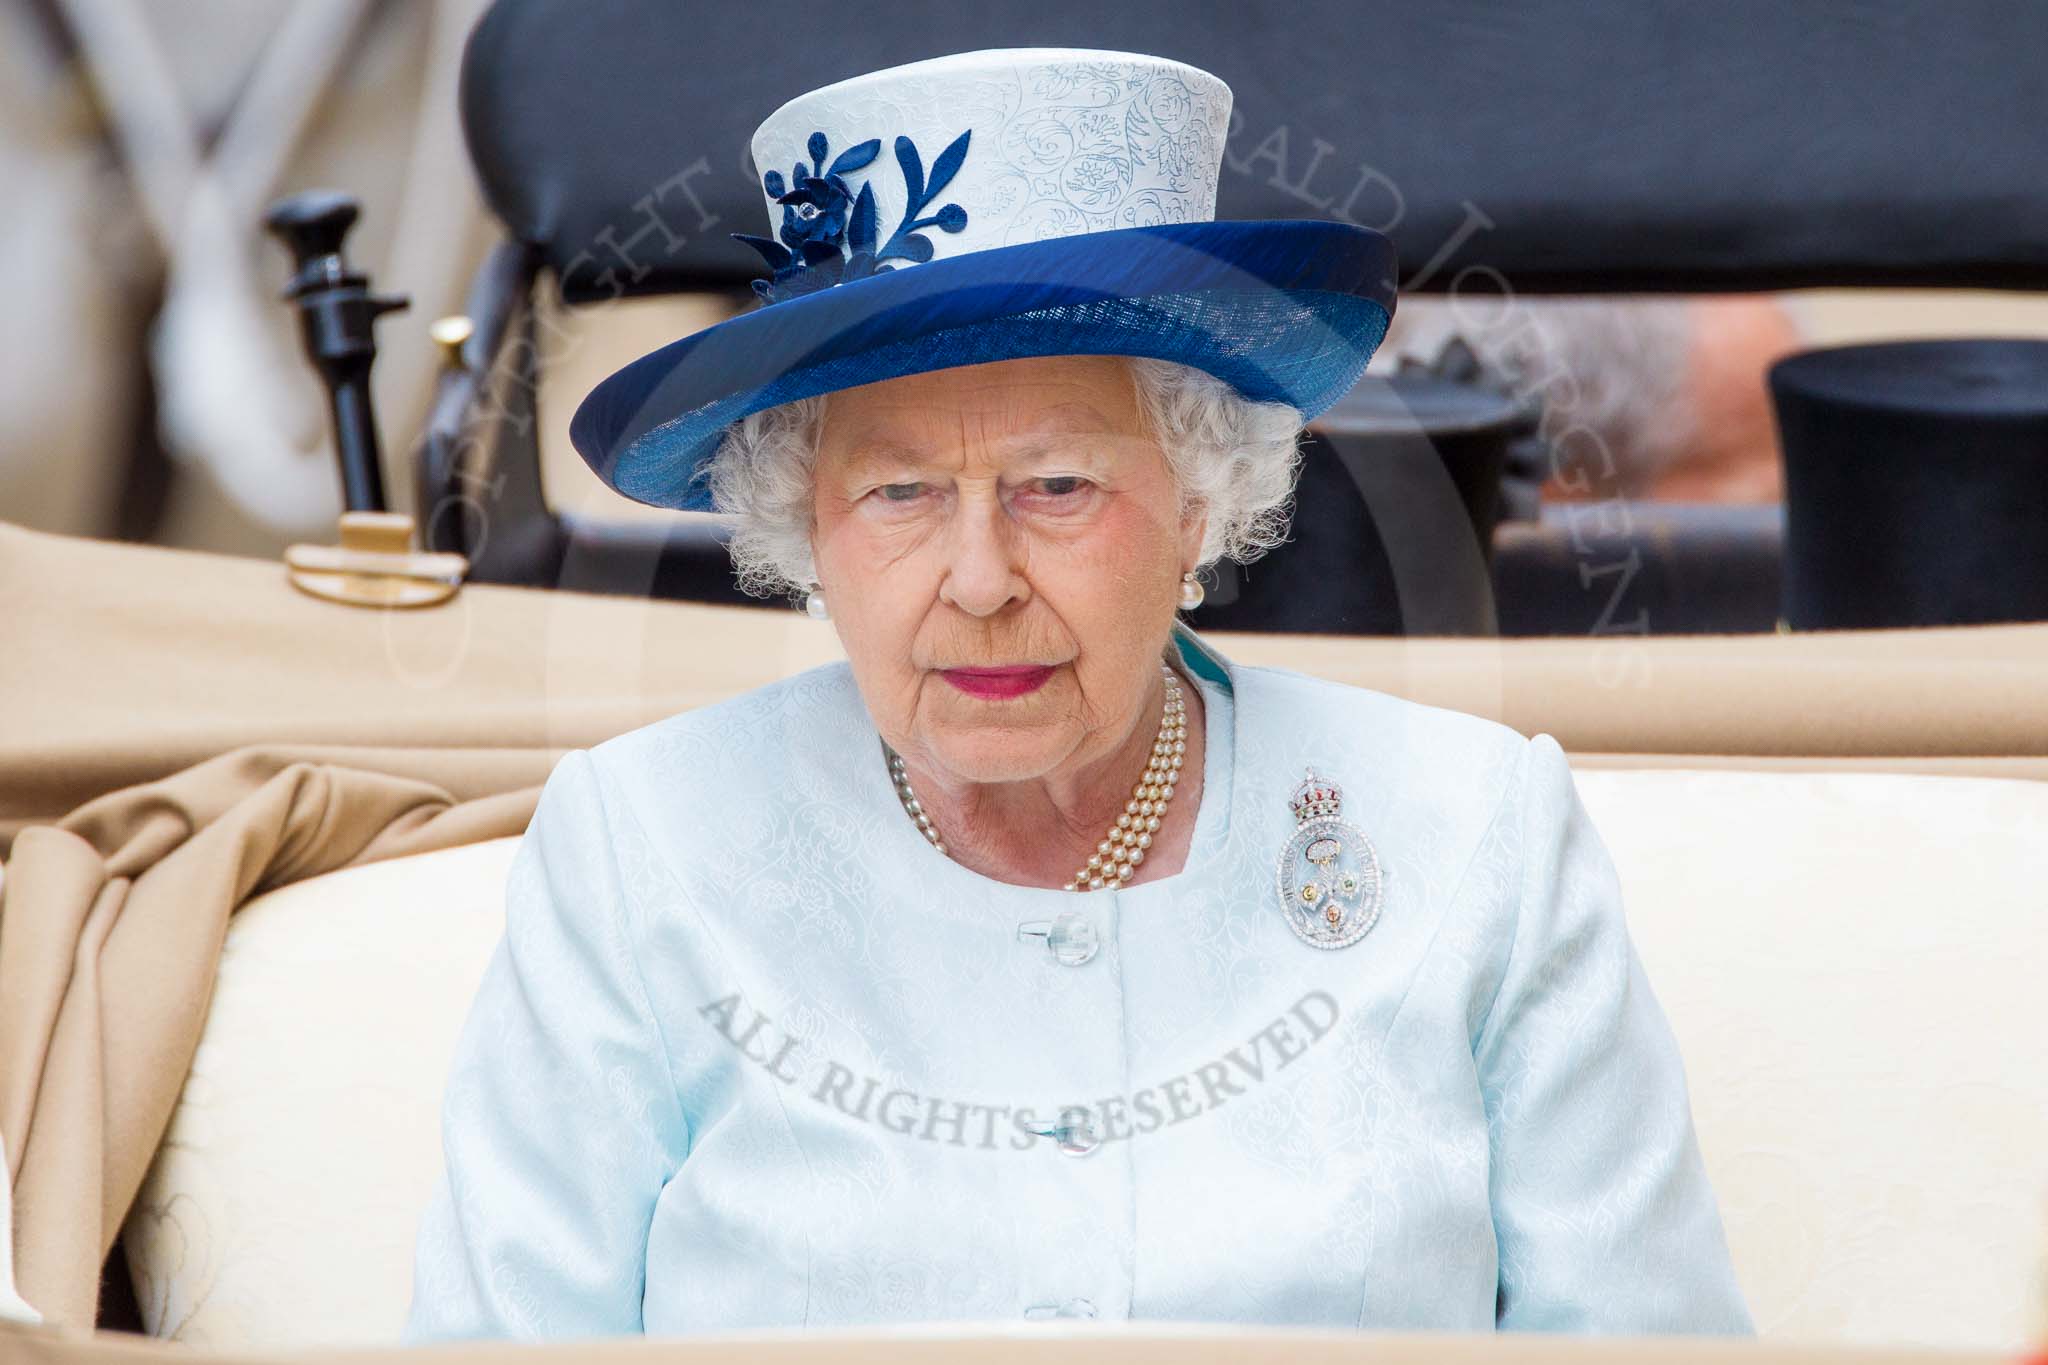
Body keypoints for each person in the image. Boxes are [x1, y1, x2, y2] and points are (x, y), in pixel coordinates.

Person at [404, 48, 1750, 1341]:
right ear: (806, 527)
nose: (979, 579)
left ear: (1196, 498)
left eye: (1058, 484)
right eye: (900, 491)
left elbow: (1652, 1343)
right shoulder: (637, 850)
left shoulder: (1476, 833)